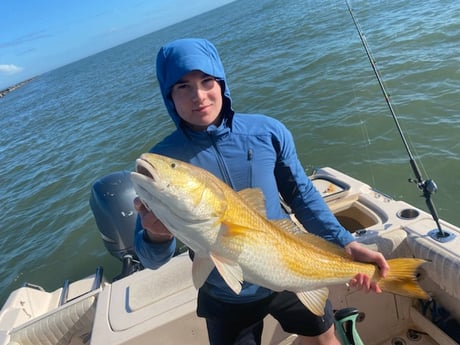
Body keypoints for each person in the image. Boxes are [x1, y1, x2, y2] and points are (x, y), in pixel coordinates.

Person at [134, 38, 389, 345]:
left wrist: (345, 243)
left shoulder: (266, 131)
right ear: (168, 96)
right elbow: (150, 258)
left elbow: (301, 195)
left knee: (324, 339)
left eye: (206, 81)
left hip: (294, 268)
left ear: (222, 82)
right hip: (224, 293)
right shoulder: (164, 160)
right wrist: (158, 236)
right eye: (182, 87)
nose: (199, 96)